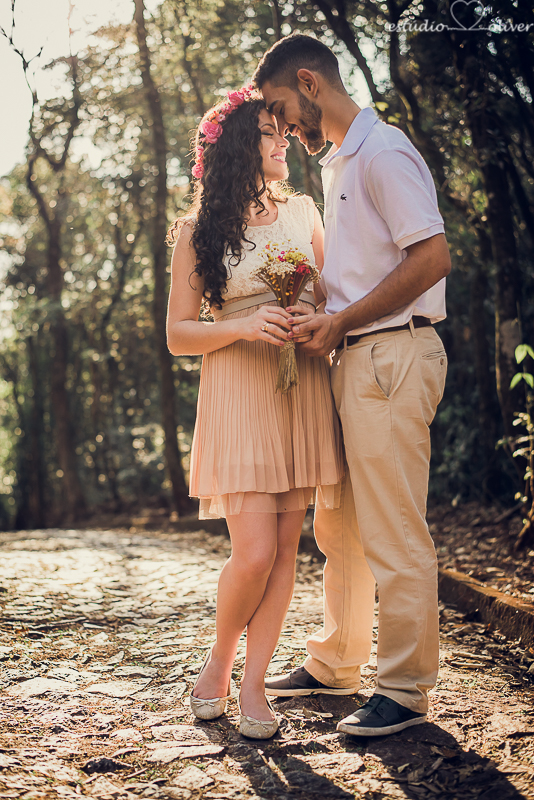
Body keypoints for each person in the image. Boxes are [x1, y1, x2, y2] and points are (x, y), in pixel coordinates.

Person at [254, 34, 451, 737]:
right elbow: (358, 277)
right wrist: (318, 314)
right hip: (353, 360)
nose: (282, 129)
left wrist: (342, 324)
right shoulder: (341, 162)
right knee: (340, 527)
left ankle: (403, 689)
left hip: (393, 357)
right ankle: (337, 661)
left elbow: (431, 255)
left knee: (395, 528)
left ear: (309, 83)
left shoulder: (385, 151)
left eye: (282, 108)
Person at [166, 86, 343, 739]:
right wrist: (242, 327)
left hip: (299, 391)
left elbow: (332, 290)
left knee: (286, 552)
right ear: (243, 145)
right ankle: (218, 661)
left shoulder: (302, 211)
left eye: (284, 132)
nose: (284, 142)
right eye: (271, 132)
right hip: (238, 393)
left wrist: (311, 313)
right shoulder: (196, 231)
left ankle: (255, 687)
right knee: (255, 552)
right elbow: (179, 334)